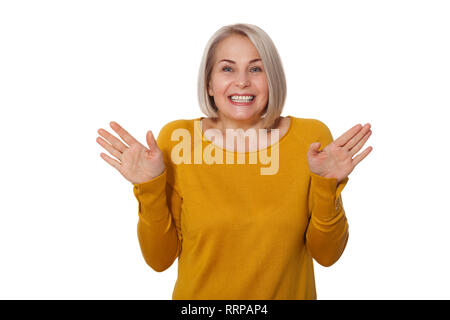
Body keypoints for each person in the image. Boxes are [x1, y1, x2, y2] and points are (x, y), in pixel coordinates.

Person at [96, 23, 373, 300]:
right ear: (209, 83)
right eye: (227, 68)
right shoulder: (178, 140)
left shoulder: (310, 138)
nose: (242, 81)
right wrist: (150, 188)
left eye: (256, 68)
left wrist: (327, 186)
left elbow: (327, 255)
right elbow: (159, 260)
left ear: (272, 78)